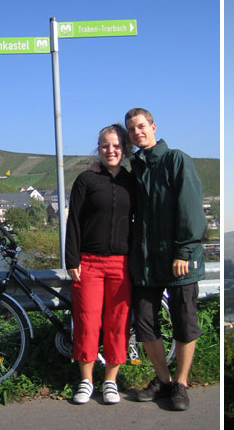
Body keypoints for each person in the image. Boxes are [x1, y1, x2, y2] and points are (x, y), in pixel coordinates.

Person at [126, 108, 207, 411]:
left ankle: (182, 384)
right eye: (132, 129)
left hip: (178, 261)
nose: (137, 133)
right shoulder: (137, 168)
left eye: (141, 126)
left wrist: (184, 251)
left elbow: (191, 209)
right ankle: (163, 379)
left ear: (153, 126)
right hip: (146, 262)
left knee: (184, 321)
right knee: (145, 321)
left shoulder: (176, 160)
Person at [65, 124, 135, 405]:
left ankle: (110, 381)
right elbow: (74, 222)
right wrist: (72, 259)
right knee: (87, 322)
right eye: (106, 146)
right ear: (99, 147)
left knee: (118, 324)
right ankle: (85, 381)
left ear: (125, 149)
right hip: (89, 263)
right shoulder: (85, 180)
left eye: (117, 146)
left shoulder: (133, 181)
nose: (111, 150)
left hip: (122, 264)